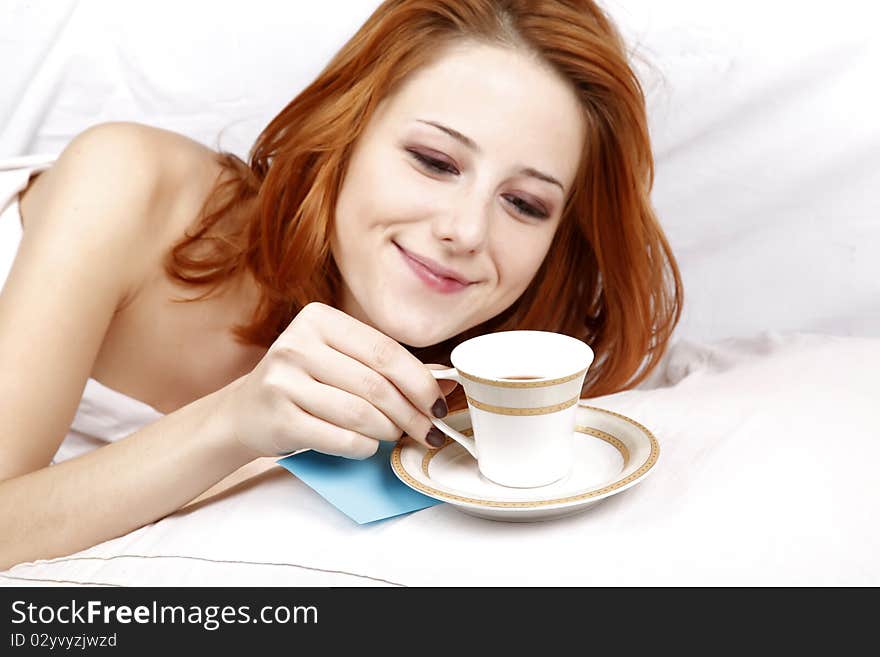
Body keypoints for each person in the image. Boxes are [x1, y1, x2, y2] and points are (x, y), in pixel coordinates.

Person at [0, 0, 682, 569]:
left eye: (525, 204)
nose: (467, 230)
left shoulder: (480, 375)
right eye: (435, 160)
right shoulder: (126, 186)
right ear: (345, 134)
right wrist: (232, 423)